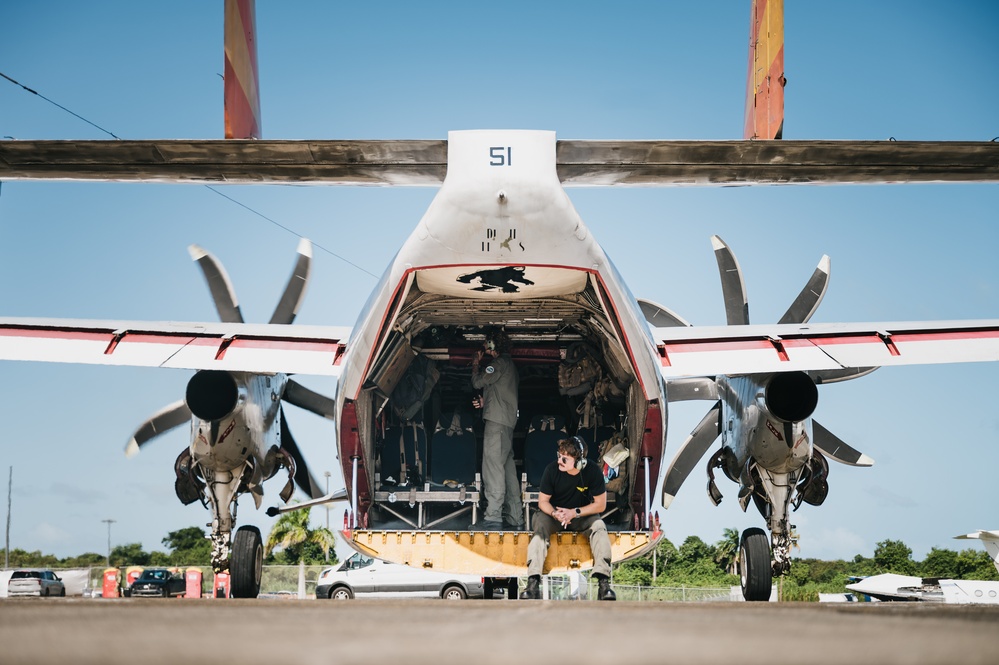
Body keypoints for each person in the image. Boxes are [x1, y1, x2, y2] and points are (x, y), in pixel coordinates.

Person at [520, 436, 616, 600]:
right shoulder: (551, 470)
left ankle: (604, 584)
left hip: (581, 515)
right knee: (540, 529)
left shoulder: (592, 471)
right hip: (554, 515)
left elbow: (600, 505)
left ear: (579, 462)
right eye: (558, 456)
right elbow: (543, 501)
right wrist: (554, 513)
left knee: (599, 526)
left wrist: (574, 512)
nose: (559, 461)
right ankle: (533, 583)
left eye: (564, 459)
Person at [471, 331, 525, 530]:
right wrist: (486, 403)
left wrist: (476, 363)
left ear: (493, 345)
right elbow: (500, 393)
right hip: (507, 424)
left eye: (486, 343)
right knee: (508, 470)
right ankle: (515, 517)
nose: (484, 347)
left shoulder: (499, 364)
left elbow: (478, 382)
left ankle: (493, 517)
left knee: (492, 468)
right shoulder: (509, 367)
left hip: (496, 424)